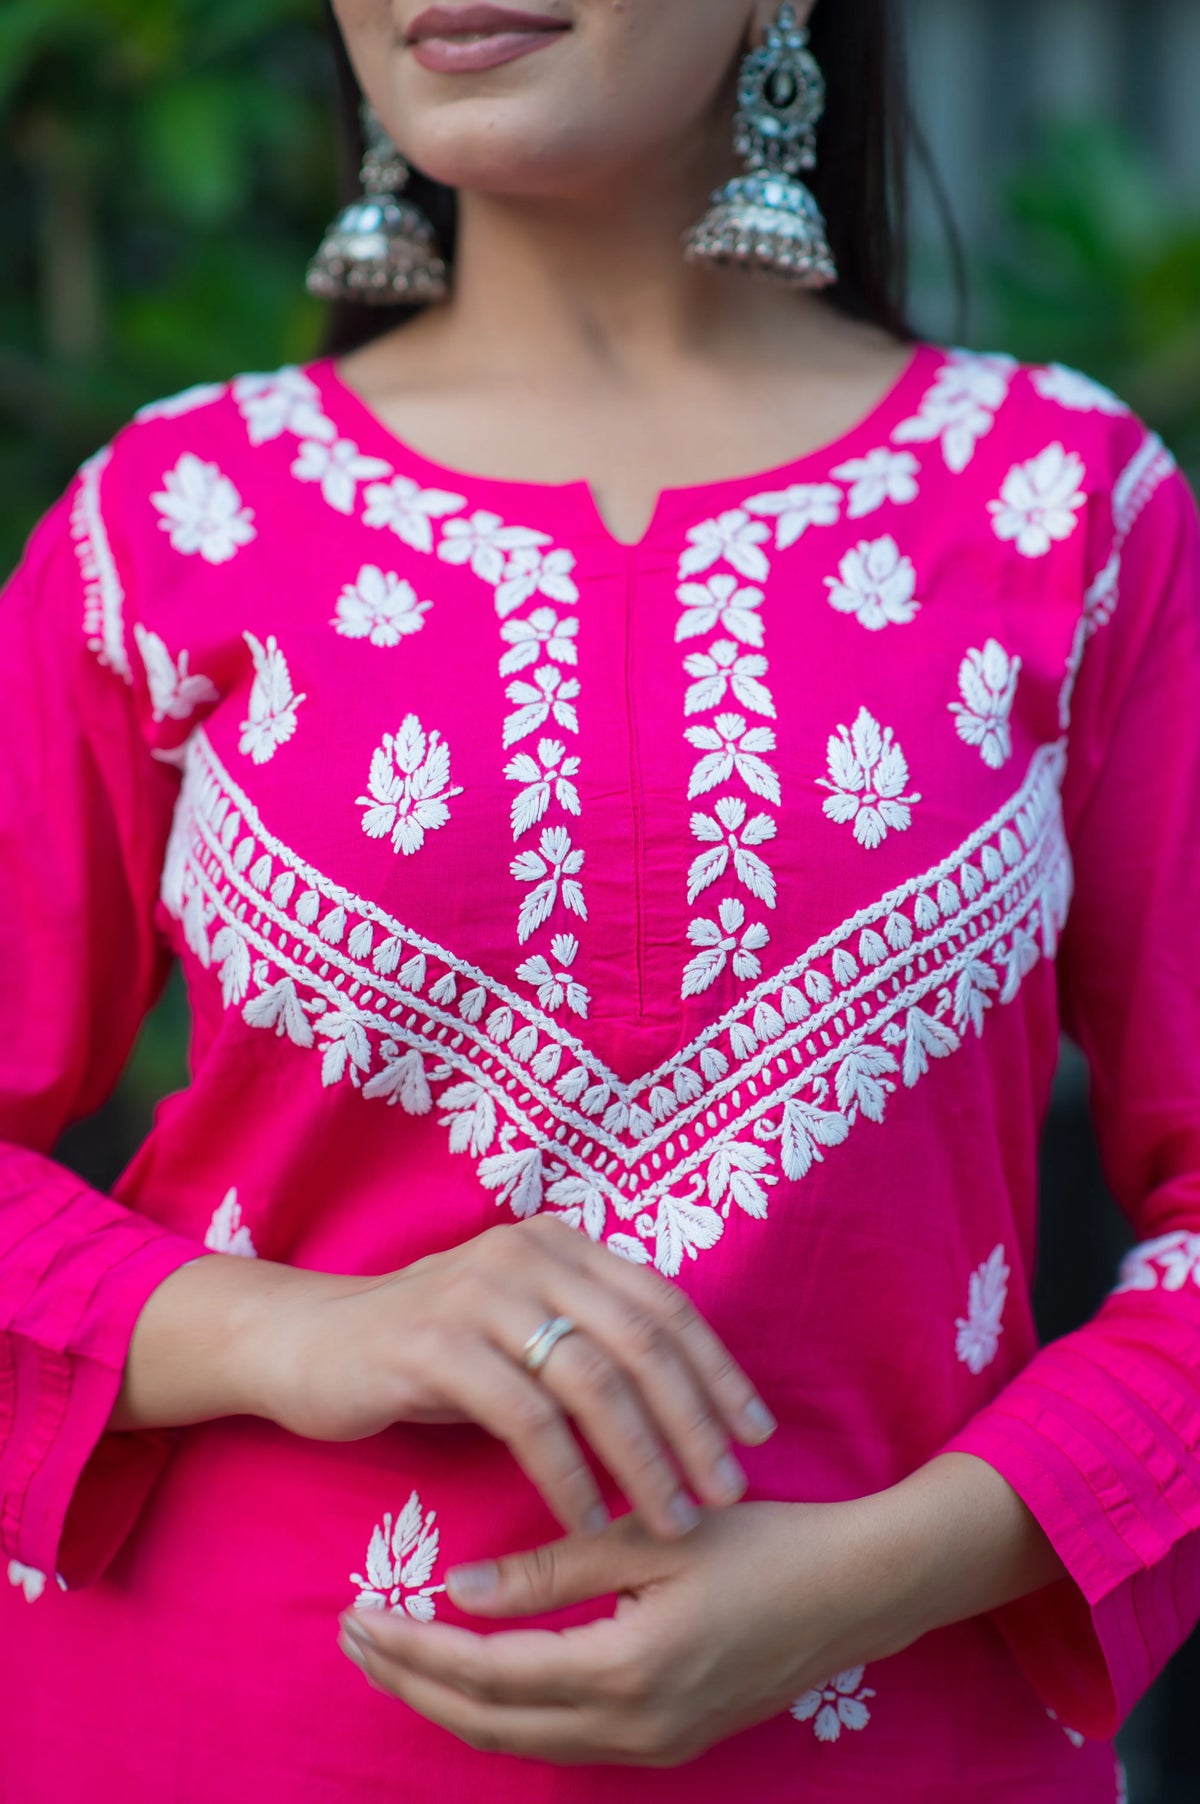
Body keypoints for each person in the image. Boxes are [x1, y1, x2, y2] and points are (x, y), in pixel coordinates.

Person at [1, 0, 1198, 1797]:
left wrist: (878, 1578)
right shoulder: (165, 528)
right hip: (215, 1728)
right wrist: (293, 1328)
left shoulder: (1070, 514)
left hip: (900, 1737)